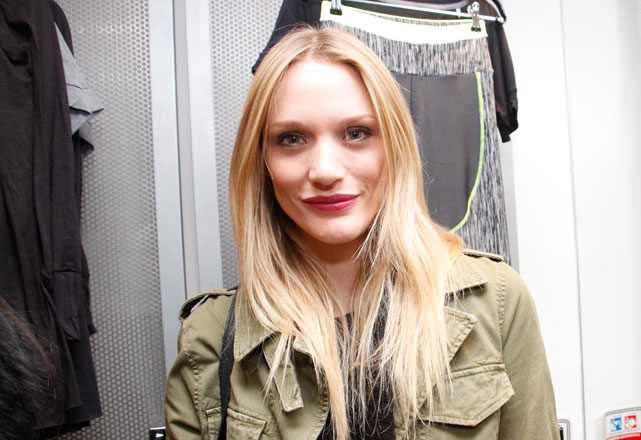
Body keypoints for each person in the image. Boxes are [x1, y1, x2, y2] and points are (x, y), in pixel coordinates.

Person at [164, 26, 559, 439]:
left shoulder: (495, 303)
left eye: (356, 134)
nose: (325, 171)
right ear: (261, 161)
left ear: (394, 146)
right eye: (291, 139)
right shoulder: (208, 338)